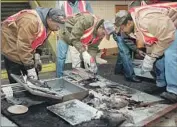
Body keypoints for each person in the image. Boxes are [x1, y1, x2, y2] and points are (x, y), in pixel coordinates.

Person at [114, 2, 177, 102]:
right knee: (159, 59)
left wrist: (152, 56)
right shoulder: (136, 24)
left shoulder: (145, 21)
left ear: (129, 23)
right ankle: (162, 85)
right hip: (164, 30)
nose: (123, 31)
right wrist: (149, 55)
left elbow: (166, 37)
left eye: (122, 28)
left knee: (170, 56)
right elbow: (151, 41)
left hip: (172, 28)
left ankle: (174, 91)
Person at [1, 7, 65, 83]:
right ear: (50, 19)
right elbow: (24, 46)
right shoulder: (31, 21)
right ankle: (20, 94)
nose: (58, 29)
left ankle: (32, 90)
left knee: (33, 79)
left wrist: (37, 57)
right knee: (19, 82)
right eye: (57, 25)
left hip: (23, 45)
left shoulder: (48, 25)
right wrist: (30, 69)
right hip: (11, 45)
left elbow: (41, 40)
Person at [57, 12, 115, 77]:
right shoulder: (88, 20)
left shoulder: (100, 34)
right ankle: (59, 78)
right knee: (62, 58)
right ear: (101, 27)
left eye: (104, 35)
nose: (102, 36)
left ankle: (80, 76)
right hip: (66, 34)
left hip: (77, 39)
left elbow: (93, 48)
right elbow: (74, 37)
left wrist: (92, 62)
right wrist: (84, 52)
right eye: (103, 34)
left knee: (80, 60)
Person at [56, 0, 93, 77]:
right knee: (61, 57)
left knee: (80, 56)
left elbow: (91, 18)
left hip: (79, 35)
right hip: (65, 33)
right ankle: (59, 78)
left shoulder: (85, 3)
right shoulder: (64, 5)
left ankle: (84, 76)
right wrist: (59, 32)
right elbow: (62, 20)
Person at [112, 11, 145, 82]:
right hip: (119, 35)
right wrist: (137, 50)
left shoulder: (136, 22)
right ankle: (130, 76)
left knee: (122, 54)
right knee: (125, 53)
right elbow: (127, 40)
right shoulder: (124, 28)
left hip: (124, 35)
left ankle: (118, 70)